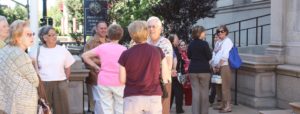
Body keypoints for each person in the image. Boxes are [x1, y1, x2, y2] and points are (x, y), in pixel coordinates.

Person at [119, 20, 168, 114]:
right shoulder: (158, 51)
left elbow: (122, 80)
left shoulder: (125, 54)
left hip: (132, 97)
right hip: (153, 96)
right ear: (147, 32)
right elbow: (165, 76)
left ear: (131, 34)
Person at [30, 25, 75, 114]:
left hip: (60, 83)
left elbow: (68, 67)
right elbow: (31, 69)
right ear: (44, 37)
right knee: (44, 109)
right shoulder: (35, 51)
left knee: (62, 110)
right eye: (51, 35)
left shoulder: (63, 50)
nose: (54, 37)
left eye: (55, 34)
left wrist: (65, 81)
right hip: (43, 84)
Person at [82, 24, 126, 114]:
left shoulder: (102, 47)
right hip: (119, 81)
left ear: (108, 34)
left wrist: (96, 66)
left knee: (106, 108)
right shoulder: (124, 49)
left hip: (104, 80)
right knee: (120, 107)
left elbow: (84, 56)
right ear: (121, 35)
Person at [0, 20, 39, 114]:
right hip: (23, 104)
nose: (32, 37)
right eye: (28, 35)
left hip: (6, 101)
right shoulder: (21, 55)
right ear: (18, 37)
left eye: (32, 34)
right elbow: (35, 81)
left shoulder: (4, 50)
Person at [147, 16, 173, 114]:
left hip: (162, 82)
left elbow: (168, 65)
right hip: (147, 82)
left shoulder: (165, 43)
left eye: (154, 26)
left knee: (163, 110)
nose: (151, 29)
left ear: (160, 29)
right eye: (149, 27)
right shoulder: (145, 42)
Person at [83, 21, 108, 113]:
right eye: (101, 28)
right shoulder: (91, 42)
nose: (103, 30)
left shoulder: (109, 41)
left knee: (106, 102)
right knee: (98, 102)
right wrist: (104, 61)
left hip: (108, 77)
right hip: (95, 76)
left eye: (105, 28)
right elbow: (85, 58)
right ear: (96, 29)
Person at [187, 25, 212, 114]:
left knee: (195, 93)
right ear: (200, 33)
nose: (205, 33)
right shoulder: (204, 44)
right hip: (204, 70)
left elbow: (189, 56)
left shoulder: (191, 44)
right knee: (204, 93)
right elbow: (209, 56)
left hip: (193, 70)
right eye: (204, 32)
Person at [211, 25, 233, 113]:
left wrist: (218, 65)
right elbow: (214, 54)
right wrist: (213, 65)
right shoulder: (218, 42)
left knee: (225, 86)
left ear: (226, 32)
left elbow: (225, 55)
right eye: (218, 32)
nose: (220, 33)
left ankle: (228, 106)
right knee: (218, 86)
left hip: (224, 66)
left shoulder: (228, 41)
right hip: (217, 66)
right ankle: (222, 104)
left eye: (222, 31)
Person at [168, 34, 184, 113]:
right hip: (174, 73)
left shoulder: (175, 48)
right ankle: (179, 109)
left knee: (173, 92)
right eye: (176, 39)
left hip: (175, 73)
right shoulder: (171, 49)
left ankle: (169, 109)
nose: (178, 40)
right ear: (172, 40)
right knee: (178, 92)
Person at [209, 33, 223, 106]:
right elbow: (212, 58)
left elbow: (221, 57)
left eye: (217, 37)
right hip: (213, 68)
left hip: (220, 68)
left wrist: (217, 66)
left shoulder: (221, 46)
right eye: (214, 37)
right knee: (213, 84)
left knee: (216, 84)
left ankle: (217, 100)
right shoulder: (213, 47)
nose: (215, 39)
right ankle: (212, 100)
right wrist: (213, 66)